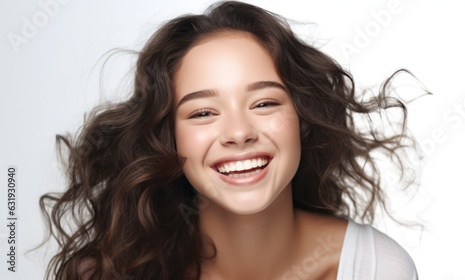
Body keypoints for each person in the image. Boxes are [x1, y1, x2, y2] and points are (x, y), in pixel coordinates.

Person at [40, 1, 420, 279]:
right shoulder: (104, 274)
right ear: (167, 139)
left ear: (302, 118)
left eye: (265, 103)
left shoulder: (377, 268)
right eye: (203, 112)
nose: (239, 133)